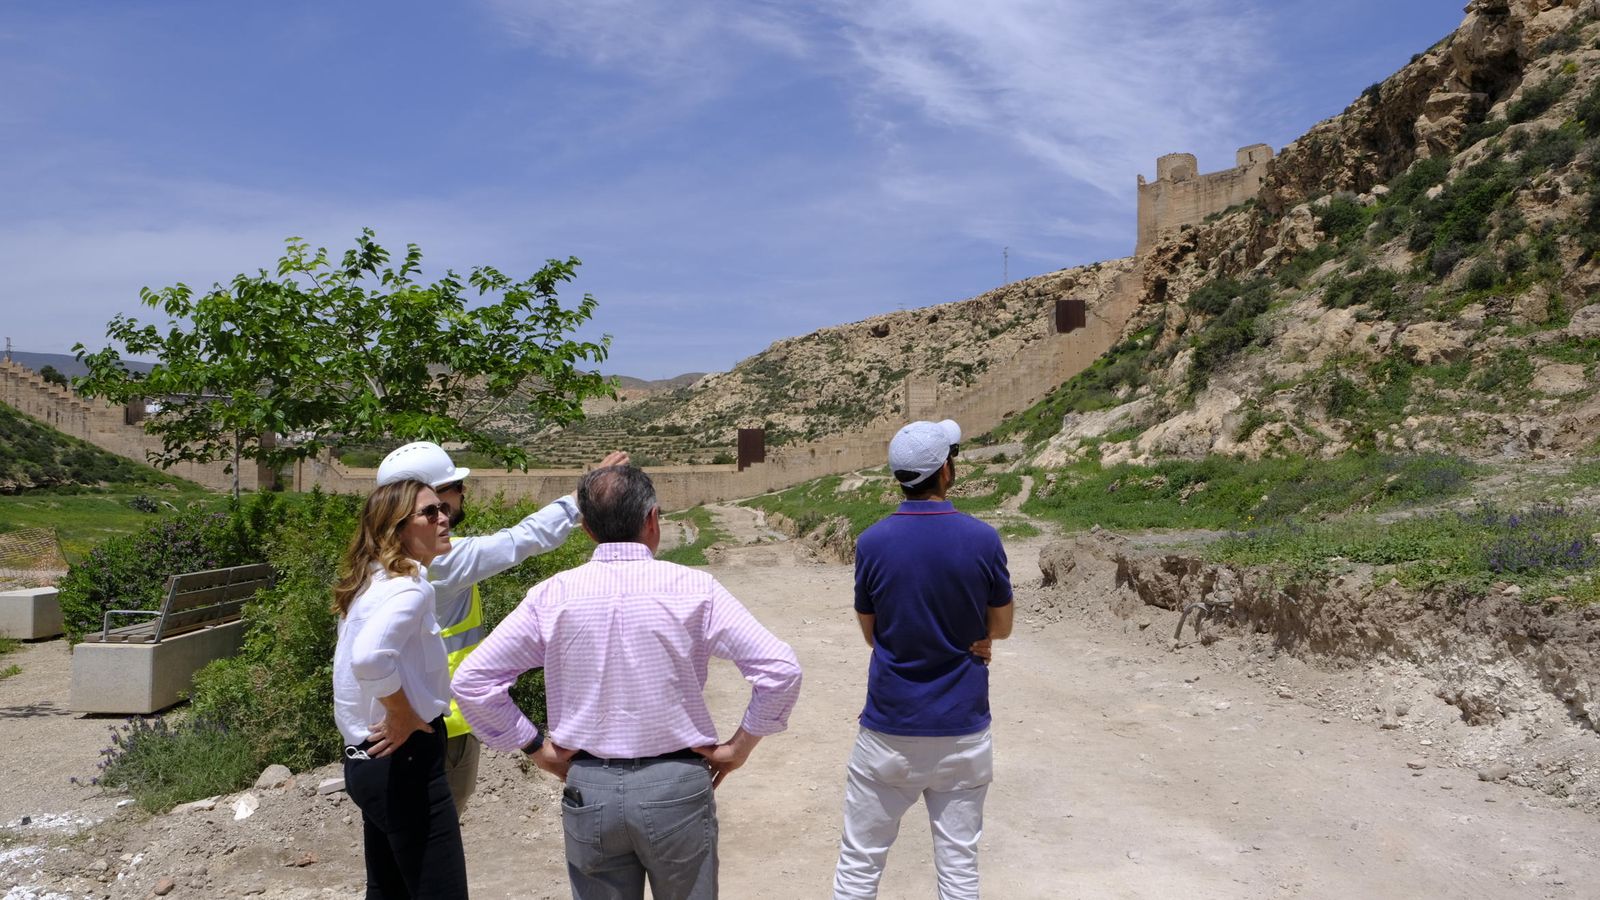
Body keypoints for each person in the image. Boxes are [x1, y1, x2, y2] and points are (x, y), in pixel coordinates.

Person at [452, 464, 803, 900]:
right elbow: (781, 669)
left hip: (590, 787)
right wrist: (738, 749)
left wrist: (536, 748)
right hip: (676, 784)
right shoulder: (695, 588)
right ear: (652, 518)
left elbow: (472, 681)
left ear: (586, 528)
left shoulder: (552, 595)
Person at [375, 441, 627, 818]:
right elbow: (522, 539)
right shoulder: (441, 562)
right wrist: (582, 497)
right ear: (423, 497)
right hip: (441, 728)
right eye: (452, 488)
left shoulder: (374, 561)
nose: (462, 493)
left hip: (395, 722)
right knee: (433, 835)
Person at [832, 418, 1014, 900]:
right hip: (963, 729)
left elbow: (872, 633)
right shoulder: (983, 539)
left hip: (889, 729)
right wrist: (979, 637)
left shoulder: (872, 542)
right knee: (959, 869)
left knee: (859, 865)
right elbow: (1002, 626)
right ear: (946, 471)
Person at [332, 478, 468, 899]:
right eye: (429, 512)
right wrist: (402, 712)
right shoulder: (408, 589)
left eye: (443, 508)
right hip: (404, 760)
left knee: (388, 890)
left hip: (366, 758)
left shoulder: (370, 585)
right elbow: (369, 658)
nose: (444, 517)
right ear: (397, 528)